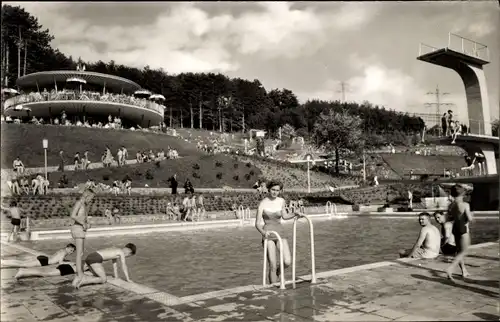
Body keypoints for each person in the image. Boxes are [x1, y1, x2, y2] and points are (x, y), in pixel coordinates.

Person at [255, 180, 301, 284]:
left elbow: (284, 216)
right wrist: (263, 233)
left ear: (280, 191)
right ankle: (274, 288)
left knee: (287, 261)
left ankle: (279, 272)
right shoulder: (263, 203)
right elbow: (257, 224)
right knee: (272, 264)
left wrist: (295, 214)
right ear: (268, 189)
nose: (275, 192)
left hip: (280, 233)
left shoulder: (281, 201)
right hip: (268, 234)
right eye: (273, 190)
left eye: (277, 190)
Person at [446, 184, 473, 282]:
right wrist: (472, 216)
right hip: (463, 228)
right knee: (464, 251)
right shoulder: (465, 205)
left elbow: (448, 218)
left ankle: (464, 271)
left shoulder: (451, 205)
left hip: (455, 228)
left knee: (459, 250)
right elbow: (469, 219)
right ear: (463, 194)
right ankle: (451, 268)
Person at [70, 187, 96, 287]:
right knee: (79, 253)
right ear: (86, 195)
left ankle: (79, 273)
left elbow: (84, 217)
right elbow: (72, 215)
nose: (91, 200)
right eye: (91, 198)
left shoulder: (84, 205)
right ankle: (79, 274)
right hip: (77, 228)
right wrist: (82, 223)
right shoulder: (79, 203)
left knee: (81, 252)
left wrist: (88, 223)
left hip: (80, 228)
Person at [1, 244, 76, 268]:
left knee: (21, 262)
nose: (71, 252)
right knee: (22, 264)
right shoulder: (64, 253)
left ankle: (3, 262)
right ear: (67, 248)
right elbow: (61, 262)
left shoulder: (62, 250)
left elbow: (56, 258)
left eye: (73, 251)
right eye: (70, 250)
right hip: (44, 261)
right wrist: (70, 263)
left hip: (44, 258)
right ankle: (3, 262)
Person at [14, 262, 89, 280]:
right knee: (45, 274)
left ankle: (24, 270)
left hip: (68, 267)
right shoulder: (92, 265)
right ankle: (22, 272)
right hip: (68, 269)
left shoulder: (85, 261)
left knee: (44, 271)